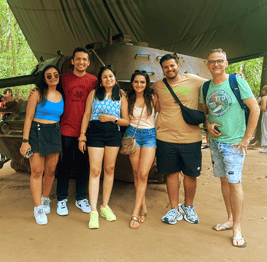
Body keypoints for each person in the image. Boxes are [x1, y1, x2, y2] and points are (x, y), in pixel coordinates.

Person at [199, 48, 260, 248]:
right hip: (216, 143)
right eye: (212, 61)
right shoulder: (206, 87)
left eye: (220, 61)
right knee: (224, 181)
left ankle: (238, 228)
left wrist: (246, 139)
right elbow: (205, 113)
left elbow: (255, 109)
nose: (216, 64)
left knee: (234, 183)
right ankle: (230, 219)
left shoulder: (236, 82)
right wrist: (207, 126)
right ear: (207, 65)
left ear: (226, 63)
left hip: (234, 143)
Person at [153, 54, 207, 225]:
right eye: (166, 67)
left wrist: (235, 77)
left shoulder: (193, 80)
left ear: (178, 65)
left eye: (172, 66)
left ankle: (188, 206)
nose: (169, 69)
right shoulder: (158, 86)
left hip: (190, 137)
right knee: (171, 173)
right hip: (165, 136)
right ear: (162, 69)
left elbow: (214, 83)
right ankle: (174, 208)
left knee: (191, 175)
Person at [78, 65, 130, 229]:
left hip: (113, 133)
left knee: (109, 169)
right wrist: (82, 136)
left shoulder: (121, 95)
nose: (108, 79)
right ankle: (93, 211)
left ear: (115, 78)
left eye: (111, 76)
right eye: (105, 77)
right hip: (95, 133)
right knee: (95, 170)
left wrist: (112, 118)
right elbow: (87, 114)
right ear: (100, 82)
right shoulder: (93, 94)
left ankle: (104, 206)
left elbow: (126, 121)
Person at [56, 47, 98, 216]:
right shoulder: (64, 79)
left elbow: (107, 92)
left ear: (88, 63)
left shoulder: (94, 80)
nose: (81, 62)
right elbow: (49, 89)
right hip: (66, 127)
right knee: (65, 164)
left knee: (83, 165)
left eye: (84, 59)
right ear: (72, 61)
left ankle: (81, 198)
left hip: (86, 130)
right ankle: (61, 199)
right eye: (78, 59)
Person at [20, 65, 63, 225]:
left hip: (54, 132)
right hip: (37, 132)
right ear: (44, 78)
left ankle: (45, 199)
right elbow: (28, 118)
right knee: (37, 171)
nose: (52, 77)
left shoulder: (61, 95)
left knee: (51, 171)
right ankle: (37, 207)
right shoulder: (37, 94)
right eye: (49, 76)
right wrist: (25, 142)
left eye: (55, 74)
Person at [125, 70, 158, 229]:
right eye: (136, 81)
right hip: (133, 134)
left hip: (150, 135)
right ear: (132, 83)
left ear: (146, 84)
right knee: (137, 173)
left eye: (142, 82)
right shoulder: (127, 98)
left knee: (144, 173)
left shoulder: (152, 97)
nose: (139, 85)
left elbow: (164, 111)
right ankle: (143, 207)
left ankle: (135, 212)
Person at [0, 88, 13, 162]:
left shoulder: (13, 101)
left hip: (13, 118)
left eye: (11, 92)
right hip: (5, 118)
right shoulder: (2, 102)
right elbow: (0, 111)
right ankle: (3, 156)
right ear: (5, 94)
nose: (10, 93)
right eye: (8, 92)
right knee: (3, 137)